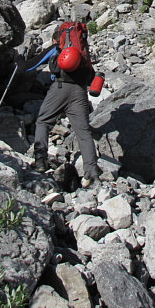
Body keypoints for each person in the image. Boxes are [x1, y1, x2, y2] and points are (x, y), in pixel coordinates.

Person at [29, 26, 101, 187]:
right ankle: (93, 174)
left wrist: (20, 65)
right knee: (83, 133)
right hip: (80, 92)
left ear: (57, 40)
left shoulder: (57, 49)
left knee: (43, 122)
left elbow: (36, 64)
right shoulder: (82, 53)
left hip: (60, 89)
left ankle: (40, 161)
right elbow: (91, 75)